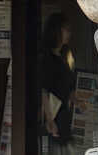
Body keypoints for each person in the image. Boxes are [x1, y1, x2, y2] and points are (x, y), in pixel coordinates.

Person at [39, 12, 77, 152]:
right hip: (55, 118)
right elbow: (44, 90)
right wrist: (49, 120)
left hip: (64, 117)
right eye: (66, 29)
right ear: (56, 30)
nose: (69, 33)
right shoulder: (47, 59)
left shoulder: (64, 57)